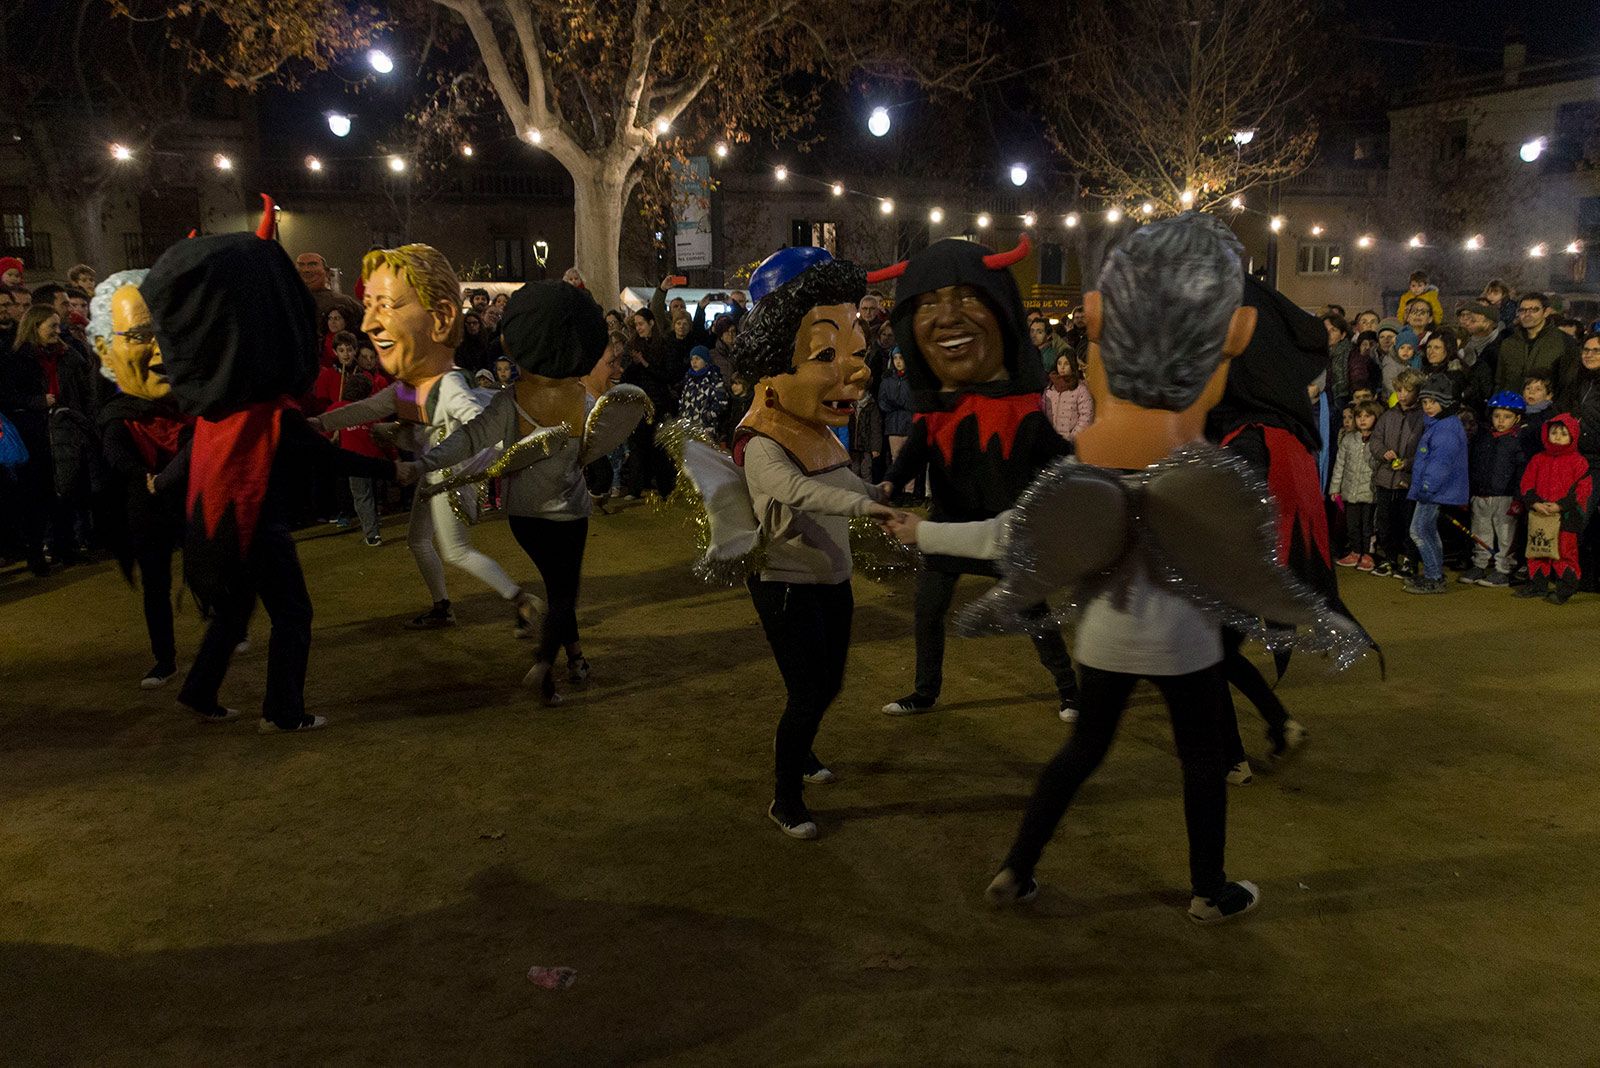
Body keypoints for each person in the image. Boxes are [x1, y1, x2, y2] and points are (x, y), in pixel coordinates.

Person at [901, 213, 1364, 923]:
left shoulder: (1091, 462)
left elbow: (1013, 533)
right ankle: (1209, 888)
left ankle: (1017, 867)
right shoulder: (1206, 466)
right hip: (1183, 647)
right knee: (1202, 763)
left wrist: (926, 530)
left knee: (1080, 754)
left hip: (1106, 643)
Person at [145, 216, 413, 730]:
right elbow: (324, 457)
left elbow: (191, 461)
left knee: (233, 611)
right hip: (259, 531)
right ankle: (283, 711)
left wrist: (163, 483)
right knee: (293, 616)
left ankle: (200, 690)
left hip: (219, 531)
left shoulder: (217, 413)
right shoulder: (268, 416)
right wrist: (392, 471)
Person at [686, 248, 894, 838]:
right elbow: (792, 490)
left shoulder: (818, 431)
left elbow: (840, 478)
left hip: (832, 575)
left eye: (852, 352)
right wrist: (865, 503)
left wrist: (878, 490)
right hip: (785, 582)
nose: (855, 371)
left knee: (829, 681)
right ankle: (785, 798)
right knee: (808, 691)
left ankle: (801, 755)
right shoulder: (762, 438)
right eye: (825, 354)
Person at [404, 281, 651, 703]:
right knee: (561, 593)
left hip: (525, 516)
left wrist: (420, 464)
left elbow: (468, 439)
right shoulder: (583, 401)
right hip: (568, 515)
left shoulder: (510, 400)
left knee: (558, 589)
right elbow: (596, 446)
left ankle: (573, 658)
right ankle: (544, 663)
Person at [869, 235, 1078, 719]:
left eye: (966, 296)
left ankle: (1070, 689)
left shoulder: (1020, 411)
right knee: (927, 610)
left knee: (1033, 612)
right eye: (928, 303)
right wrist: (890, 484)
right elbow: (912, 456)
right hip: (947, 526)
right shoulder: (939, 411)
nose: (947, 317)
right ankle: (925, 692)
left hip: (1004, 532)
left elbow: (1058, 456)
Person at [313, 244, 539, 632]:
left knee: (456, 550)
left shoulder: (447, 384)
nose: (370, 323)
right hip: (433, 475)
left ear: (439, 319)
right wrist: (317, 422)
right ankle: (443, 606)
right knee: (419, 542)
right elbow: (366, 409)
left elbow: (481, 424)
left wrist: (508, 454)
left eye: (386, 305)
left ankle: (521, 600)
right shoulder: (410, 384)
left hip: (446, 477)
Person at [90, 269, 193, 686]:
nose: (159, 352)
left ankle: (227, 628)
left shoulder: (190, 406)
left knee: (213, 566)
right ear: (104, 348)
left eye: (168, 333)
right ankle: (163, 657)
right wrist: (145, 477)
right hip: (145, 510)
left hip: (186, 501)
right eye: (139, 335)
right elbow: (114, 455)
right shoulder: (115, 415)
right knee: (156, 585)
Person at [1404, 375, 1469, 594]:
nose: (1428, 407)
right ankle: (1435, 574)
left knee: (1419, 531)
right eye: (1425, 402)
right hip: (1436, 489)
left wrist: (1426, 487)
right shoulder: (1441, 425)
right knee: (1428, 531)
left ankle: (1434, 577)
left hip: (1433, 490)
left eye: (1433, 401)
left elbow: (1440, 464)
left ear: (1446, 402)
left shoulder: (1445, 429)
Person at [1516, 413, 1590, 604]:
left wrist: (1560, 505)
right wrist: (1534, 502)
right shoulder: (1538, 459)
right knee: (1537, 549)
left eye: (1564, 433)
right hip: (1540, 513)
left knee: (1564, 552)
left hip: (1565, 516)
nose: (1557, 436)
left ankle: (1566, 587)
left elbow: (1583, 490)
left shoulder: (1578, 461)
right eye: (1554, 432)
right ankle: (1537, 584)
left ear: (1573, 436)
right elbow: (1527, 483)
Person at [1462, 390, 1528, 588]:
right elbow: (1473, 465)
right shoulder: (1483, 438)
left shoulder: (1517, 442)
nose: (1501, 421)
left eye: (1507, 417)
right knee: (1480, 531)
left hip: (1505, 496)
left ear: (1517, 418)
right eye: (1497, 416)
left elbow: (1521, 473)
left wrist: (1518, 498)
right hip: (1481, 493)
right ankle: (1480, 563)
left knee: (1506, 534)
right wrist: (1469, 493)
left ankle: (1503, 568)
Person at [1370, 368, 1426, 577]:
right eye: (1399, 390)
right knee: (1385, 523)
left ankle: (1410, 561)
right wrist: (1384, 452)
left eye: (1407, 390)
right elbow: (1375, 440)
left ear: (1417, 391)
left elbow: (1426, 449)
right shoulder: (1388, 415)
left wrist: (1409, 463)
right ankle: (1389, 559)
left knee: (1409, 525)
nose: (1402, 394)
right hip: (1385, 479)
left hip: (1408, 481)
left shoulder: (1423, 418)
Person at [1331, 399, 1382, 569]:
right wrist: (1335, 488)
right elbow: (1340, 465)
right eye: (1359, 416)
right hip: (1350, 491)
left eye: (1367, 416)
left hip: (1369, 492)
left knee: (1367, 526)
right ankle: (1355, 551)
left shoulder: (1378, 441)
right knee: (1352, 525)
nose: (1362, 420)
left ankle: (1367, 554)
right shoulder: (1348, 440)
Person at [1497, 292, 1578, 396]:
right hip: (1512, 408)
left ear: (1546, 312)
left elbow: (1569, 383)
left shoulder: (1563, 342)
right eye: (1522, 310)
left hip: (1547, 409)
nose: (1527, 314)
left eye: (1534, 310)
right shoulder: (1509, 343)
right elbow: (1500, 381)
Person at [877, 348, 915, 501]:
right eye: (896, 358)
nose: (898, 361)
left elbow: (912, 402)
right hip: (894, 426)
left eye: (901, 357)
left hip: (909, 425)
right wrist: (900, 404)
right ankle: (898, 492)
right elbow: (883, 402)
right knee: (895, 460)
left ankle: (909, 494)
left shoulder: (912, 380)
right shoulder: (887, 380)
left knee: (910, 460)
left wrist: (897, 403)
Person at [295, 251, 363, 329]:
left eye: (313, 264)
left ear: (327, 273)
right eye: (301, 265)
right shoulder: (285, 301)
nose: (306, 270)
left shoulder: (343, 302)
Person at [679, 344, 729, 441]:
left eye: (697, 359)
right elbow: (683, 401)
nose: (694, 362)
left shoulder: (714, 380)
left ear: (705, 361)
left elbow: (722, 403)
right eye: (692, 359)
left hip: (707, 429)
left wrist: (707, 416)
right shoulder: (689, 380)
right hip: (689, 429)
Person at [1041, 351, 1093, 440]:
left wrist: (1072, 437)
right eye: (1059, 363)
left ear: (1072, 365)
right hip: (1051, 440)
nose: (1062, 367)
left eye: (1066, 364)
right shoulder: (1050, 389)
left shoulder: (1080, 389)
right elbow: (1043, 411)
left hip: (1071, 441)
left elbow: (1086, 415)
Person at [1376, 318, 1409, 394]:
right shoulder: (1372, 356)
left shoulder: (1405, 357)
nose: (1386, 340)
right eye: (1382, 337)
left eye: (1390, 337)